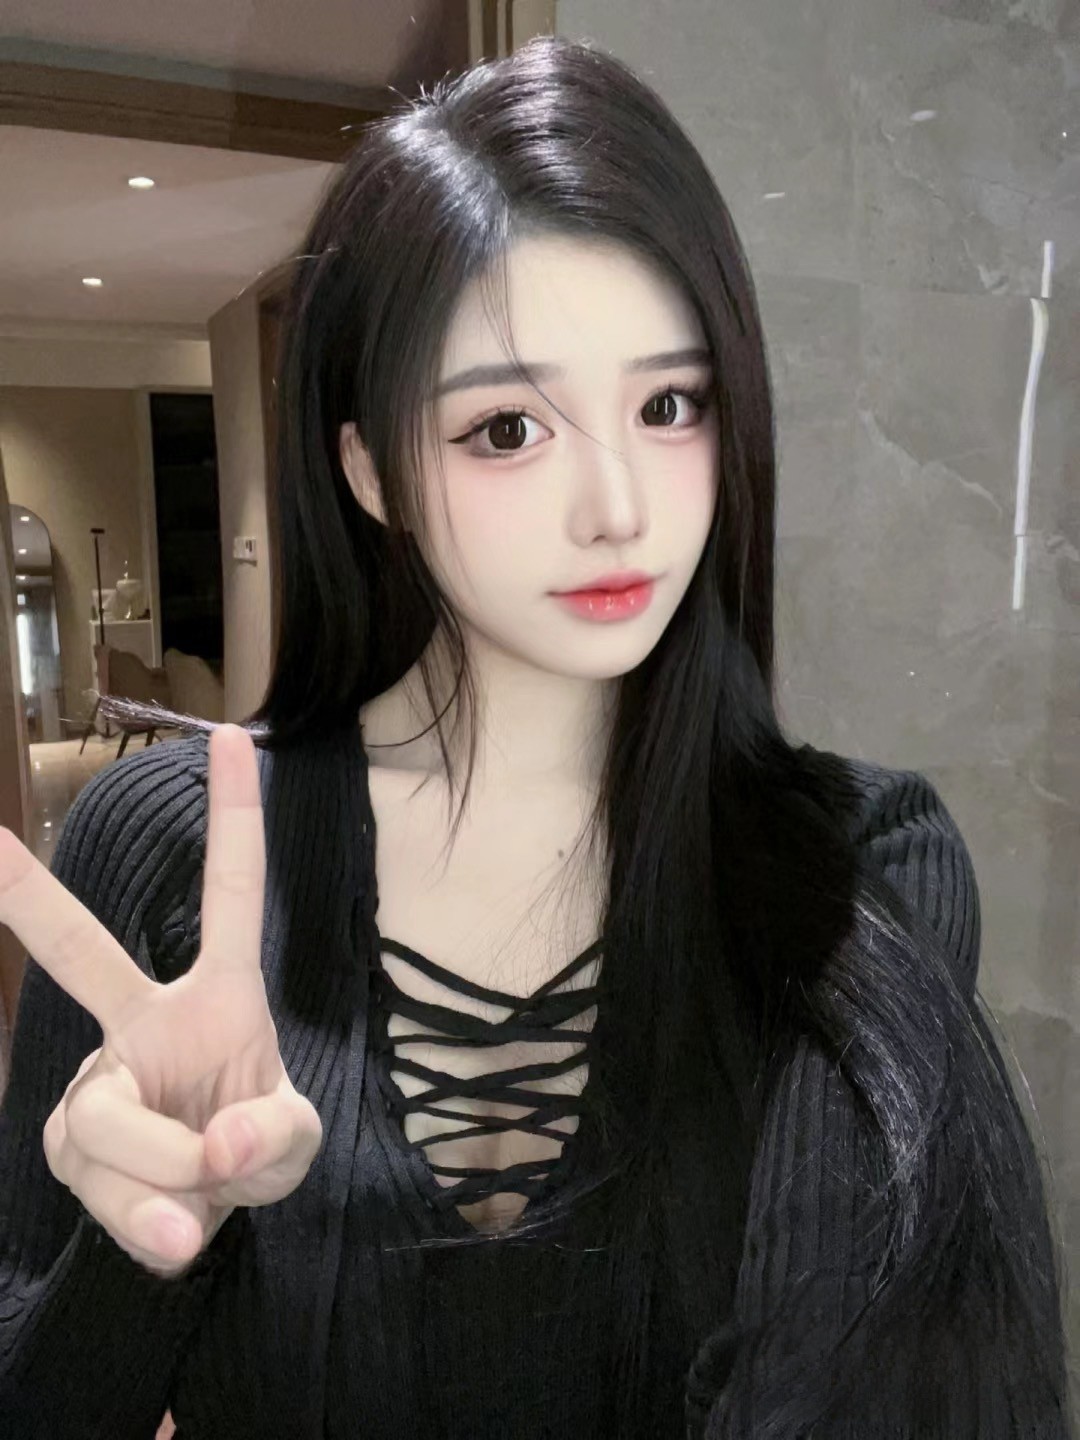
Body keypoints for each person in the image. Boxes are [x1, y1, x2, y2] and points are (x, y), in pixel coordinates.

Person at [0, 33, 1071, 1440]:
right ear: (370, 470)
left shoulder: (859, 864)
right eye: (506, 429)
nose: (617, 508)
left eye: (669, 405)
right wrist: (143, 1247)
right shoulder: (168, 853)